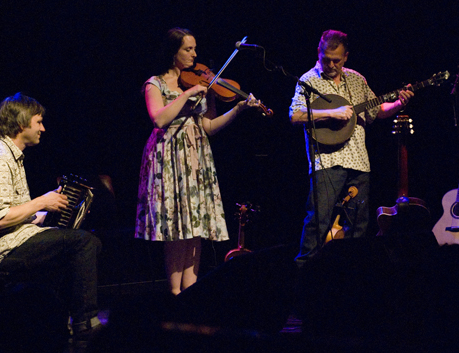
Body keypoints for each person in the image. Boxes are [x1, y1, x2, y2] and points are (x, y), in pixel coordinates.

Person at [0, 93, 102, 345]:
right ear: (22, 123)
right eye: (38, 122)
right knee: (83, 244)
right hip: (0, 254)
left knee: (78, 240)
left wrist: (49, 211)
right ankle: (85, 324)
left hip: (13, 242)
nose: (43, 128)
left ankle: (54, 324)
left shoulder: (10, 156)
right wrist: (41, 201)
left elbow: (15, 215)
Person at [135, 27, 262, 295]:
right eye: (188, 49)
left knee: (195, 227)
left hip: (197, 157)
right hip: (168, 158)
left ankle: (191, 293)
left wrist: (238, 108)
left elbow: (209, 127)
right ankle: (174, 294)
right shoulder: (154, 84)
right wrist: (186, 94)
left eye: (194, 48)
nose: (195, 54)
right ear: (173, 52)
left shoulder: (205, 87)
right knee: (176, 229)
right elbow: (159, 119)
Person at [289, 30, 414, 265]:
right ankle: (304, 273)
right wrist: (332, 112)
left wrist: (398, 103)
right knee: (318, 221)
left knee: (358, 224)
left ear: (346, 56)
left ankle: (352, 273)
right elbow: (295, 116)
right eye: (326, 59)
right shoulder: (309, 80)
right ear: (319, 53)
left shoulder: (357, 79)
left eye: (336, 60)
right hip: (327, 162)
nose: (331, 64)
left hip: (359, 162)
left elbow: (377, 111)